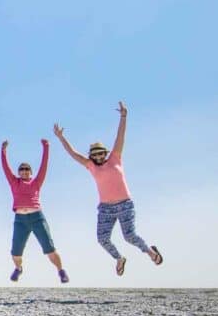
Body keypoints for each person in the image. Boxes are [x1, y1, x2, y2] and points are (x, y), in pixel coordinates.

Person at [53, 101, 163, 276]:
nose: (97, 156)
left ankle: (151, 252)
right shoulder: (91, 166)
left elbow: (120, 136)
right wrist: (60, 138)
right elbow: (73, 153)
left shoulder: (115, 158)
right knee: (102, 239)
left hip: (125, 205)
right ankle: (119, 259)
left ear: (105, 152)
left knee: (129, 236)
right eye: (94, 154)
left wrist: (123, 116)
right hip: (105, 208)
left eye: (100, 153)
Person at [1, 138, 69, 283]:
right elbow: (5, 168)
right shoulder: (14, 182)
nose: (24, 171)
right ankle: (18, 269)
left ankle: (61, 271)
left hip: (37, 217)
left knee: (49, 248)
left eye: (27, 169)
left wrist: (46, 147)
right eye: (21, 169)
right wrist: (3, 151)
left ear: (30, 172)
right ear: (19, 172)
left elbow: (44, 165)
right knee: (15, 253)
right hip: (20, 220)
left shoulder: (36, 182)